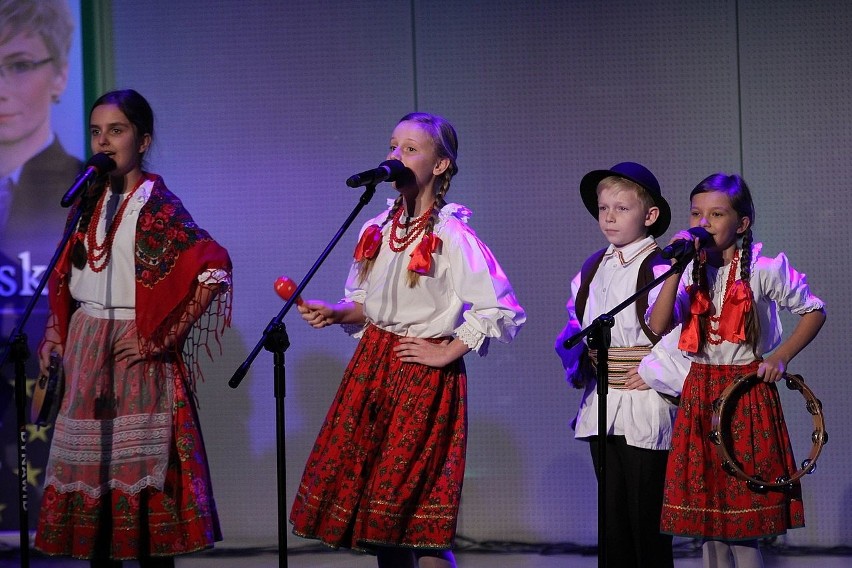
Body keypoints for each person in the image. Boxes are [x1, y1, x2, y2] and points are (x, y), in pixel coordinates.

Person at [289, 112, 525, 568]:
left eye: (410, 149)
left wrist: (447, 350)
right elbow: (365, 303)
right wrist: (336, 311)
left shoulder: (453, 235)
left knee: (416, 515)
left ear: (441, 165)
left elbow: (500, 308)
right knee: (380, 517)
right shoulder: (376, 228)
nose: (396, 156)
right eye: (393, 146)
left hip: (421, 375)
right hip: (372, 367)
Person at [33, 89, 231, 567]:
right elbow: (67, 274)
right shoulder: (86, 199)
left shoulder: (156, 204)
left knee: (142, 494)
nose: (104, 142)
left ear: (142, 141)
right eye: (97, 132)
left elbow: (214, 267)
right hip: (86, 342)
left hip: (132, 348)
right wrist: (55, 334)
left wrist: (167, 334)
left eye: (116, 131)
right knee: (96, 491)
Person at [648, 173, 826, 568]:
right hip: (700, 396)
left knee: (743, 531)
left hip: (746, 395)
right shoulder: (690, 273)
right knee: (710, 529)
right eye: (696, 214)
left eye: (716, 214)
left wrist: (780, 356)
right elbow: (657, 325)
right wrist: (677, 266)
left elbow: (814, 310)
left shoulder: (763, 269)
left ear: (741, 224)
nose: (703, 223)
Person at [554, 162, 688, 568]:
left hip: (643, 402)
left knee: (645, 516)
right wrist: (575, 353)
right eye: (603, 208)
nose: (609, 217)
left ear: (649, 216)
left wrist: (650, 372)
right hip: (605, 399)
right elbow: (577, 319)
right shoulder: (594, 266)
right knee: (611, 517)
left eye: (621, 209)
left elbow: (680, 333)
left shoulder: (661, 266)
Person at [0, 1, 84, 530]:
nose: (0, 86)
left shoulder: (85, 188)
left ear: (59, 76)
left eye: (19, 64)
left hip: (53, 375)